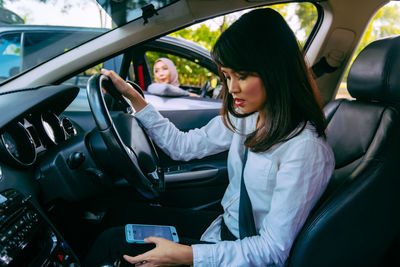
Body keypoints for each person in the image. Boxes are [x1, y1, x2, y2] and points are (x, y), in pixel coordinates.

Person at [85, 8, 334, 267]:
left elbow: (272, 251)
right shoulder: (246, 117)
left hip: (244, 254)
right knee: (120, 215)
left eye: (242, 76)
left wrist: (186, 256)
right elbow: (182, 146)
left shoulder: (306, 148)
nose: (232, 88)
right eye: (227, 76)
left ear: (275, 71)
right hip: (222, 231)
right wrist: (136, 100)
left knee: (112, 243)